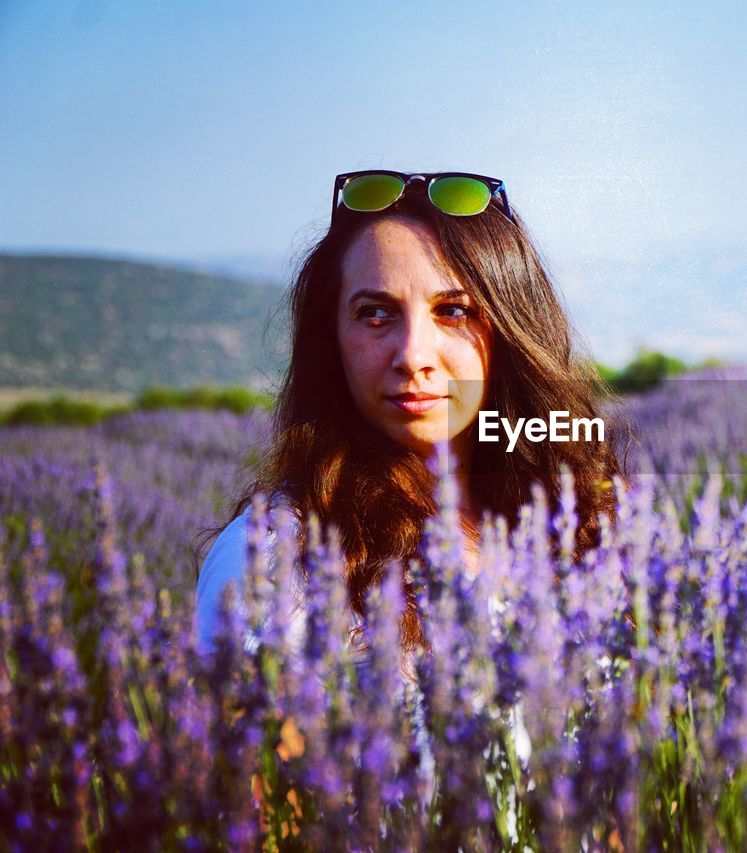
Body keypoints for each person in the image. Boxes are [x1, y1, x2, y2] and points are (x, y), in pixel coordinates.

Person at [191, 169, 628, 774]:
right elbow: (262, 821)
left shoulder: (572, 525)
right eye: (375, 314)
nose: (413, 355)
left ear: (508, 331)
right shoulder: (272, 561)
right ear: (333, 339)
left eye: (453, 311)